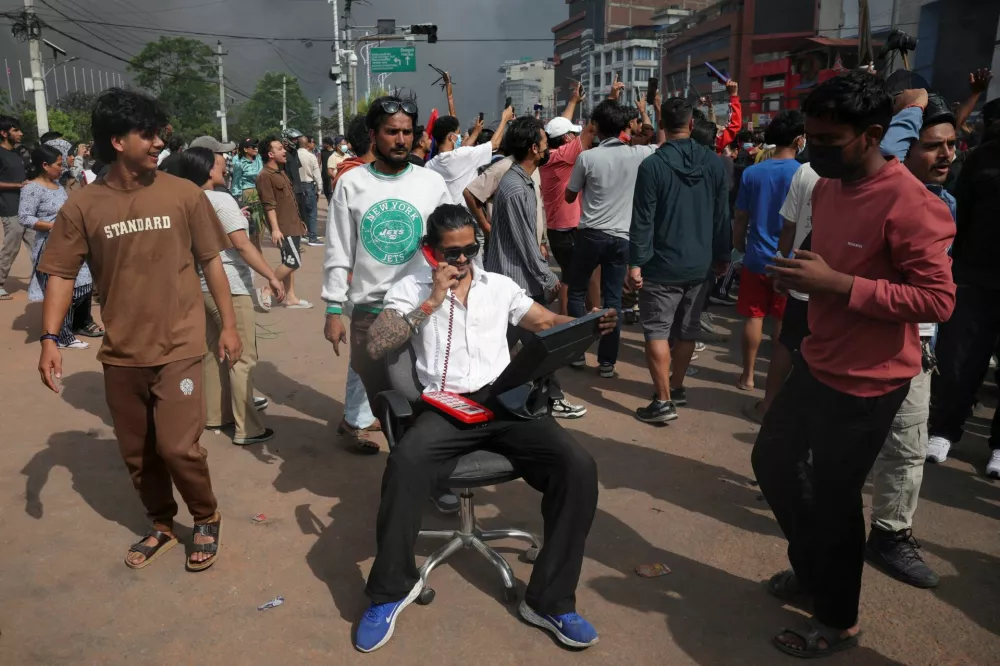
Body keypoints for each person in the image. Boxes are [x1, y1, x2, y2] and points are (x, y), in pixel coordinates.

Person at [751, 71, 955, 659]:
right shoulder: (824, 187)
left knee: (834, 500)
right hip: (818, 360)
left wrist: (839, 284)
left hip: (870, 382)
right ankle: (814, 569)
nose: (813, 152)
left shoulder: (914, 204)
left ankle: (838, 621)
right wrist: (801, 273)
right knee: (774, 463)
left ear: (871, 135)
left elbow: (938, 301)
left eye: (827, 142)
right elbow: (828, 264)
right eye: (809, 138)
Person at [353, 203, 614, 652]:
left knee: (578, 467)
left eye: (469, 250)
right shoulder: (411, 288)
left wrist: (588, 325)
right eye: (451, 253)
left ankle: (550, 600)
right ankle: (390, 592)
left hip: (504, 401)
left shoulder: (498, 286)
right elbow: (376, 345)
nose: (461, 261)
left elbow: (546, 322)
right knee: (405, 464)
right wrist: (431, 302)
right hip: (444, 407)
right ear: (429, 251)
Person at [36, 88, 242, 572]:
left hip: (180, 343)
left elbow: (211, 260)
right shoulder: (83, 205)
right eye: (146, 135)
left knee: (177, 446)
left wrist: (228, 325)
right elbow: (62, 274)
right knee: (139, 452)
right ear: (117, 141)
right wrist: (49, 338)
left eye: (158, 134)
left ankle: (206, 516)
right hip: (123, 351)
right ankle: (163, 525)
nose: (156, 143)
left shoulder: (183, 194)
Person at [322, 97, 452, 455]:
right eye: (391, 131)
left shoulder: (432, 183)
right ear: (373, 135)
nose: (400, 139)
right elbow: (338, 250)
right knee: (385, 403)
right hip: (370, 314)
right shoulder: (352, 184)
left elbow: (453, 238)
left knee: (427, 396)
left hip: (425, 310)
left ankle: (425, 474)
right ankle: (405, 464)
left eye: (407, 132)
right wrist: (334, 309)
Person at [174, 146, 287, 445]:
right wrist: (272, 275)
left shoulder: (185, 199)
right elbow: (243, 245)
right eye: (220, 164)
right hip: (231, 286)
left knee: (214, 353)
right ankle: (247, 428)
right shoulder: (221, 200)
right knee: (242, 357)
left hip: (201, 285)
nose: (225, 168)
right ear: (207, 170)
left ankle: (216, 416)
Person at [629, 97, 730, 423]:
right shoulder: (714, 163)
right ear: (690, 124)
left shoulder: (653, 166)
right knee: (688, 331)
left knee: (656, 332)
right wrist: (722, 256)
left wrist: (636, 263)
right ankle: (677, 387)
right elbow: (722, 217)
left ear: (662, 125)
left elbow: (643, 220)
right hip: (700, 263)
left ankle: (662, 401)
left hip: (661, 265)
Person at [483, 116, 587, 419]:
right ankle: (548, 398)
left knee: (517, 345)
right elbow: (524, 242)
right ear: (533, 148)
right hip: (516, 284)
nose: (549, 147)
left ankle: (541, 396)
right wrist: (548, 277)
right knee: (541, 343)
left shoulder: (523, 180)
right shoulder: (516, 187)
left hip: (517, 281)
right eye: (545, 141)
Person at [927, 93, 1000, 479]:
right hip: (974, 278)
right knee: (958, 361)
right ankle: (944, 429)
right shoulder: (980, 161)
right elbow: (959, 215)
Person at [565, 99, 655, 377]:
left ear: (597, 127)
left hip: (591, 234)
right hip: (622, 238)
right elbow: (658, 139)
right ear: (624, 127)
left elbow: (570, 195)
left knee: (577, 292)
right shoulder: (639, 154)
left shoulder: (588, 157)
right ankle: (607, 363)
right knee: (613, 300)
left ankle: (577, 353)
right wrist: (648, 111)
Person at [732, 110, 805, 392]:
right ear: (799, 140)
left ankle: (747, 376)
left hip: (756, 256)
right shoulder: (803, 173)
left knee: (753, 316)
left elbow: (741, 216)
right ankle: (775, 377)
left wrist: (738, 243)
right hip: (789, 260)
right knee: (781, 320)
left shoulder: (752, 172)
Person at [328, 114, 381, 452]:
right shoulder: (353, 177)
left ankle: (360, 414)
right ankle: (353, 420)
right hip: (358, 282)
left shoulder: (360, 174)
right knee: (365, 354)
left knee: (372, 353)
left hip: (367, 280)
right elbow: (341, 243)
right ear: (376, 138)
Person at [19, 144, 93, 349]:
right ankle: (62, 335)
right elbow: (25, 217)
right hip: (48, 246)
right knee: (62, 289)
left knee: (83, 285)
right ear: (45, 165)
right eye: (59, 165)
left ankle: (65, 330)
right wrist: (54, 226)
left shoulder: (58, 186)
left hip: (68, 242)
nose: (62, 168)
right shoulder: (32, 188)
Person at [540, 82, 598, 316]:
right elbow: (591, 131)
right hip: (569, 228)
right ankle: (565, 321)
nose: (576, 137)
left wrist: (573, 102)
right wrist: (611, 100)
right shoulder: (564, 156)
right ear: (566, 140)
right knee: (572, 280)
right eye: (572, 135)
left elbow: (559, 128)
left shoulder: (550, 155)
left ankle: (565, 320)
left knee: (568, 274)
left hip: (558, 228)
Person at [256, 135, 312, 309]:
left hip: (292, 223)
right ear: (270, 154)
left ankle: (290, 297)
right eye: (279, 148)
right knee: (293, 261)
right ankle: (268, 289)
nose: (284, 151)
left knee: (289, 260)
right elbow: (269, 205)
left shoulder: (281, 172)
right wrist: (275, 229)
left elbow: (290, 201)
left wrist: (300, 221)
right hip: (283, 227)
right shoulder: (265, 176)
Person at [425, 105, 515, 206]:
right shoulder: (463, 156)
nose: (459, 137)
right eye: (458, 133)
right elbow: (494, 144)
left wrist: (476, 132)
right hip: (466, 217)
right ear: (451, 137)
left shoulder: (429, 166)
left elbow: (464, 149)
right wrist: (504, 119)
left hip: (443, 217)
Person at [0, 115, 33, 301]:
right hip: (9, 208)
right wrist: (18, 186)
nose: (20, 133)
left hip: (26, 207)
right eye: (15, 130)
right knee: (11, 248)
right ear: (4, 133)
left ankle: (44, 281)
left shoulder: (17, 153)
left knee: (38, 245)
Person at [297, 134, 324, 246]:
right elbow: (317, 175)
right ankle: (312, 237)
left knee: (299, 212)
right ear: (307, 144)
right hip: (308, 186)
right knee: (312, 213)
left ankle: (302, 234)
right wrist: (319, 190)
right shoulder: (311, 157)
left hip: (296, 186)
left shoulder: (292, 155)